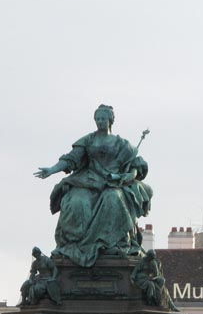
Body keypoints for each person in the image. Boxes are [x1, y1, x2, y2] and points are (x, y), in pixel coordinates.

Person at [35, 104, 152, 268]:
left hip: (113, 183)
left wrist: (123, 177)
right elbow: (70, 159)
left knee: (113, 198)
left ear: (110, 120)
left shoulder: (121, 144)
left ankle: (109, 243)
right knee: (76, 202)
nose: (100, 122)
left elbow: (135, 167)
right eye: (97, 119)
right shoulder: (88, 140)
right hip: (88, 181)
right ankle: (74, 245)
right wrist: (52, 170)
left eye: (103, 118)